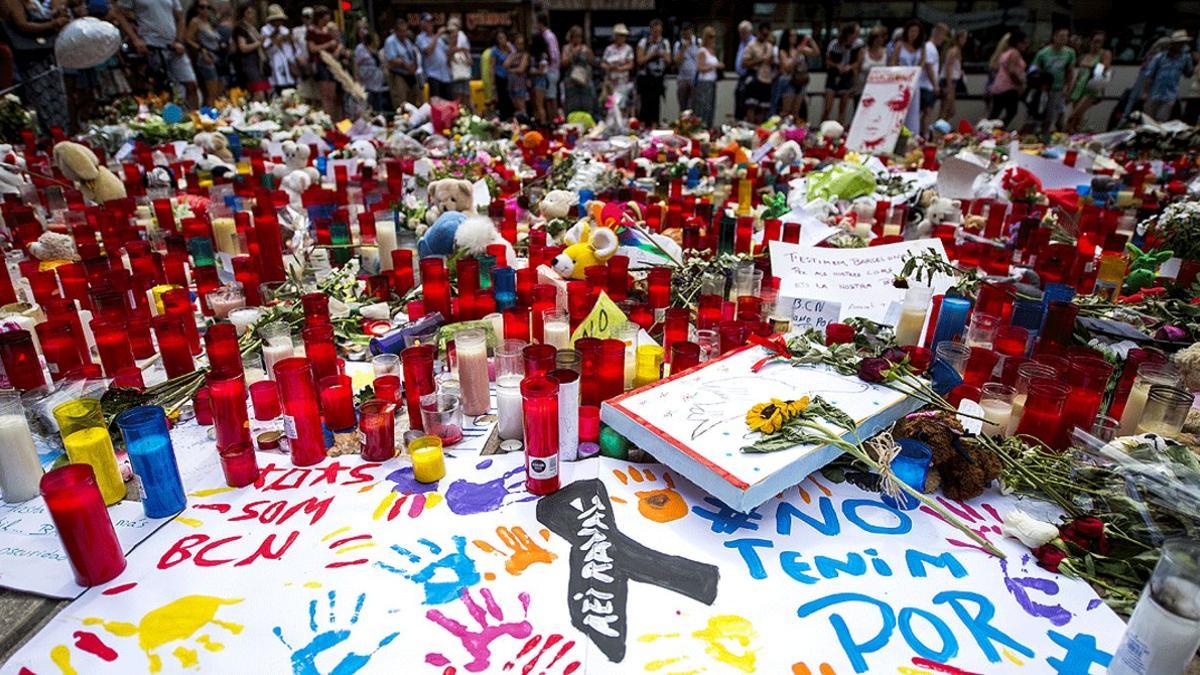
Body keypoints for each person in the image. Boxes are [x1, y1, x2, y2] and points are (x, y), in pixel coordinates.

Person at [0, 0, 69, 132]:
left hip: (43, 54)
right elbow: (23, 24)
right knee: (44, 102)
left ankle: (60, 132)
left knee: (56, 99)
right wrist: (53, 23)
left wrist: (54, 15)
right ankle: (53, 135)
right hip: (31, 58)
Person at [120, 0, 200, 108]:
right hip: (151, 44)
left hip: (172, 46)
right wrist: (135, 39)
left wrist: (179, 40)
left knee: (191, 84)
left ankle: (195, 118)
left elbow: (180, 17)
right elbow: (119, 13)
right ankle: (163, 119)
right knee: (161, 89)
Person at [1143, 30, 1196, 122]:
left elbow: (1188, 74)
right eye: (1179, 43)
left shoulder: (1185, 58)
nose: (1181, 45)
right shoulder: (1160, 57)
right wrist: (1145, 92)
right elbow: (1149, 75)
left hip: (1170, 95)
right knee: (1148, 120)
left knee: (1161, 120)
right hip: (1154, 93)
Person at [1031, 27, 1076, 134]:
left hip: (1059, 88)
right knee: (1044, 114)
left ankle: (1056, 135)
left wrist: (1069, 88)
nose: (1064, 39)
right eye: (1061, 36)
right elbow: (1033, 70)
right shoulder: (1043, 53)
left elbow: (1070, 72)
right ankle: (1042, 134)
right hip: (1045, 88)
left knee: (1058, 114)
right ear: (1054, 37)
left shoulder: (1070, 53)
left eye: (1066, 36)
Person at [1066, 31, 1112, 132]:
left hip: (1092, 88)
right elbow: (1079, 74)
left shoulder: (1105, 53)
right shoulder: (1084, 55)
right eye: (1094, 41)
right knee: (1077, 118)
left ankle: (1072, 132)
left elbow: (1105, 67)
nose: (1095, 44)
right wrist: (1071, 90)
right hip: (1079, 87)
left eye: (1099, 42)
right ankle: (1074, 135)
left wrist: (1090, 66)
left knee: (1073, 116)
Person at [184, 0, 225, 104]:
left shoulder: (211, 22)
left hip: (218, 56)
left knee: (219, 91)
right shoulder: (195, 22)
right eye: (202, 7)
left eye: (208, 7)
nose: (205, 10)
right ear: (197, 9)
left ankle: (213, 113)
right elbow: (188, 38)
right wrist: (201, 50)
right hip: (205, 57)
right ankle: (208, 116)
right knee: (211, 92)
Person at [306, 6, 342, 117]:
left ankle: (333, 117)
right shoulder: (312, 31)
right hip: (320, 63)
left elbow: (338, 42)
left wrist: (337, 48)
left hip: (331, 63)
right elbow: (312, 48)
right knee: (325, 95)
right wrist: (327, 45)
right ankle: (327, 118)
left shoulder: (327, 30)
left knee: (332, 94)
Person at [775, 28, 817, 119]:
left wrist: (811, 40)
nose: (794, 38)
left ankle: (794, 131)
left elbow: (816, 52)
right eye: (792, 35)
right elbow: (787, 66)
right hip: (789, 81)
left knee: (796, 111)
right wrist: (797, 53)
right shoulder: (783, 51)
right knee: (786, 111)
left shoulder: (801, 48)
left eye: (795, 35)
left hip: (801, 81)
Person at [824, 22, 861, 125]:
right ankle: (824, 125)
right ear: (849, 33)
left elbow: (858, 62)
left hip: (847, 77)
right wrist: (837, 65)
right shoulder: (834, 44)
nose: (857, 35)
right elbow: (827, 61)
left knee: (843, 106)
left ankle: (840, 128)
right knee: (828, 106)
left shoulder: (858, 45)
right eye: (855, 33)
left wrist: (850, 67)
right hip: (834, 75)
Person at [988, 29, 1027, 127]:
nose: (1026, 45)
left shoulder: (1006, 52)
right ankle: (998, 128)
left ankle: (987, 129)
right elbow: (1012, 70)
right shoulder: (1015, 53)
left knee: (995, 112)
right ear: (1018, 43)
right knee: (1012, 111)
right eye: (1024, 43)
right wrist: (1020, 83)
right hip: (1009, 87)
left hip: (999, 86)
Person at [636, 19, 670, 125]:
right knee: (644, 104)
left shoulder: (665, 42)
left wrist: (662, 54)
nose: (657, 34)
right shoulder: (643, 42)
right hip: (645, 77)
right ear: (651, 30)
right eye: (655, 31)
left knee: (655, 105)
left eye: (659, 31)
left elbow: (669, 60)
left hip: (658, 78)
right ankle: (643, 126)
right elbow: (640, 60)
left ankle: (654, 127)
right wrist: (652, 54)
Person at [231, 4, 268, 101]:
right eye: (249, 13)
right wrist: (258, 43)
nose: (251, 15)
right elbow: (243, 47)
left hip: (257, 62)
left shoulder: (252, 28)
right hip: (248, 63)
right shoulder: (241, 28)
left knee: (263, 91)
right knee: (258, 92)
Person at [740, 22, 775, 124]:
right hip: (754, 77)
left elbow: (772, 62)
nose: (764, 37)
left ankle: (760, 128)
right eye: (763, 34)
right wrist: (759, 60)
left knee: (764, 106)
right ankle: (751, 126)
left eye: (766, 35)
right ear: (759, 33)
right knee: (752, 105)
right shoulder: (751, 46)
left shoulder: (769, 46)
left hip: (766, 79)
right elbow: (744, 63)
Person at [383, 18, 420, 109]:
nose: (404, 33)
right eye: (402, 31)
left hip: (411, 74)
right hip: (398, 74)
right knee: (401, 102)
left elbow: (413, 53)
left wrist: (414, 66)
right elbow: (391, 59)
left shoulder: (407, 41)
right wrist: (406, 65)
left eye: (405, 31)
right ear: (396, 31)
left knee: (414, 99)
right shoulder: (390, 41)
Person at [918, 22, 947, 132]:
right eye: (943, 35)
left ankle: (922, 133)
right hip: (926, 85)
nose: (943, 39)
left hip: (927, 85)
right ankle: (923, 134)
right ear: (937, 33)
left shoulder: (931, 47)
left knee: (925, 112)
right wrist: (935, 85)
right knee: (927, 112)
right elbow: (928, 66)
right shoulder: (929, 47)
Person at [601, 23, 634, 117]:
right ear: (615, 36)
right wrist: (609, 67)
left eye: (624, 35)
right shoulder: (609, 49)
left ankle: (622, 125)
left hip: (622, 82)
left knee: (622, 105)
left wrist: (619, 68)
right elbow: (603, 63)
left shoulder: (628, 49)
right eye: (620, 35)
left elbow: (631, 64)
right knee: (610, 106)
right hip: (610, 83)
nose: (622, 37)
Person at [354, 26, 389, 113]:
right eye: (376, 39)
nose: (378, 41)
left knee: (378, 107)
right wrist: (356, 78)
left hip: (377, 84)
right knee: (368, 106)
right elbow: (356, 63)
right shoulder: (361, 48)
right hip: (366, 83)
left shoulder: (376, 50)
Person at [561, 25, 594, 117]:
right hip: (571, 81)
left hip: (584, 81)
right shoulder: (566, 48)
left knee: (586, 105)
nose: (578, 39)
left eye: (579, 36)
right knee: (572, 106)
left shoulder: (585, 48)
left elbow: (593, 61)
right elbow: (563, 63)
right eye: (576, 36)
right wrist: (573, 54)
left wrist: (587, 53)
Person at [692, 25, 722, 128]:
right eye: (710, 36)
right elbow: (700, 67)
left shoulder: (713, 52)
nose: (713, 39)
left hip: (712, 82)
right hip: (704, 83)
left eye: (714, 36)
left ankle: (709, 128)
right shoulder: (702, 51)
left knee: (710, 108)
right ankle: (701, 128)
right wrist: (713, 66)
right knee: (703, 107)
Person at [417, 13, 449, 100]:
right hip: (433, 74)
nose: (430, 24)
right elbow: (428, 51)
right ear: (422, 23)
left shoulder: (440, 40)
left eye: (431, 22)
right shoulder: (420, 38)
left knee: (447, 102)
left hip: (445, 74)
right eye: (428, 22)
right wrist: (438, 34)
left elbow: (447, 53)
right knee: (436, 101)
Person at [534, 13, 559, 120]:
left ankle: (554, 122)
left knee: (551, 98)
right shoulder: (545, 36)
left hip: (550, 71)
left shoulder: (549, 36)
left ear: (540, 23)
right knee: (548, 99)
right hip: (548, 71)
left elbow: (553, 55)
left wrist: (544, 65)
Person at [939, 28, 967, 123]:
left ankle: (940, 130)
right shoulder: (954, 51)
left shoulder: (956, 50)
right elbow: (948, 67)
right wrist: (949, 84)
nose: (965, 41)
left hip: (951, 81)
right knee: (946, 109)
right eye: (964, 38)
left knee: (950, 111)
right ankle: (937, 131)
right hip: (949, 81)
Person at [445, 20, 471, 108]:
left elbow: (470, 62)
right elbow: (448, 63)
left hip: (465, 76)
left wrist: (465, 54)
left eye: (455, 33)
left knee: (467, 97)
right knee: (458, 99)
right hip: (455, 78)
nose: (454, 35)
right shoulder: (448, 48)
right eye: (452, 33)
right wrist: (453, 51)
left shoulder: (464, 47)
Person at [487, 30, 514, 118]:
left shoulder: (509, 49)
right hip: (499, 76)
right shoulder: (495, 51)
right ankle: (503, 117)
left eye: (503, 38)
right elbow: (492, 66)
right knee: (502, 98)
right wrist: (492, 81)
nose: (502, 40)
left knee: (509, 98)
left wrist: (511, 49)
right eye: (500, 38)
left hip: (509, 77)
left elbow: (514, 55)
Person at [674, 23, 698, 114]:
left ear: (692, 32)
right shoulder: (678, 44)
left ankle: (692, 126)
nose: (686, 35)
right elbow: (676, 61)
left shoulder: (698, 42)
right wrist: (683, 49)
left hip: (694, 78)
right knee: (682, 106)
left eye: (688, 32)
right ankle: (682, 125)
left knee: (692, 106)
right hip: (682, 79)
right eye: (684, 33)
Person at [505, 32, 529, 117]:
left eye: (522, 44)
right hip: (511, 83)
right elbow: (505, 64)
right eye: (518, 43)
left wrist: (510, 70)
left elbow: (521, 69)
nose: (520, 46)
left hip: (520, 83)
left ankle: (525, 122)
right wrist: (514, 56)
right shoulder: (512, 54)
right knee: (515, 104)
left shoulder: (525, 55)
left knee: (521, 104)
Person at [733, 20, 753, 120]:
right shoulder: (742, 43)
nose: (741, 35)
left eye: (743, 32)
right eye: (740, 32)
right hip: (741, 76)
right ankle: (738, 120)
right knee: (738, 97)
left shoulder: (752, 43)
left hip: (749, 76)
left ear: (748, 32)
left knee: (745, 100)